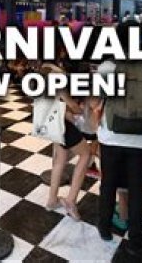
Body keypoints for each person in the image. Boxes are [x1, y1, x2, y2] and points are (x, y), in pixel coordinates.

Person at [96, 21, 142, 256]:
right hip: (141, 138)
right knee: (137, 189)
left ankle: (104, 228)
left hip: (110, 136)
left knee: (108, 184)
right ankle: (135, 240)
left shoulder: (107, 66)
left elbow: (99, 97)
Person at [42, 63, 91, 221]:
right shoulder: (59, 77)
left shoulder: (47, 72)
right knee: (86, 154)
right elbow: (72, 105)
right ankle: (71, 200)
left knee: (60, 159)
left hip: (52, 124)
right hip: (63, 125)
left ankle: (52, 200)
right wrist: (79, 110)